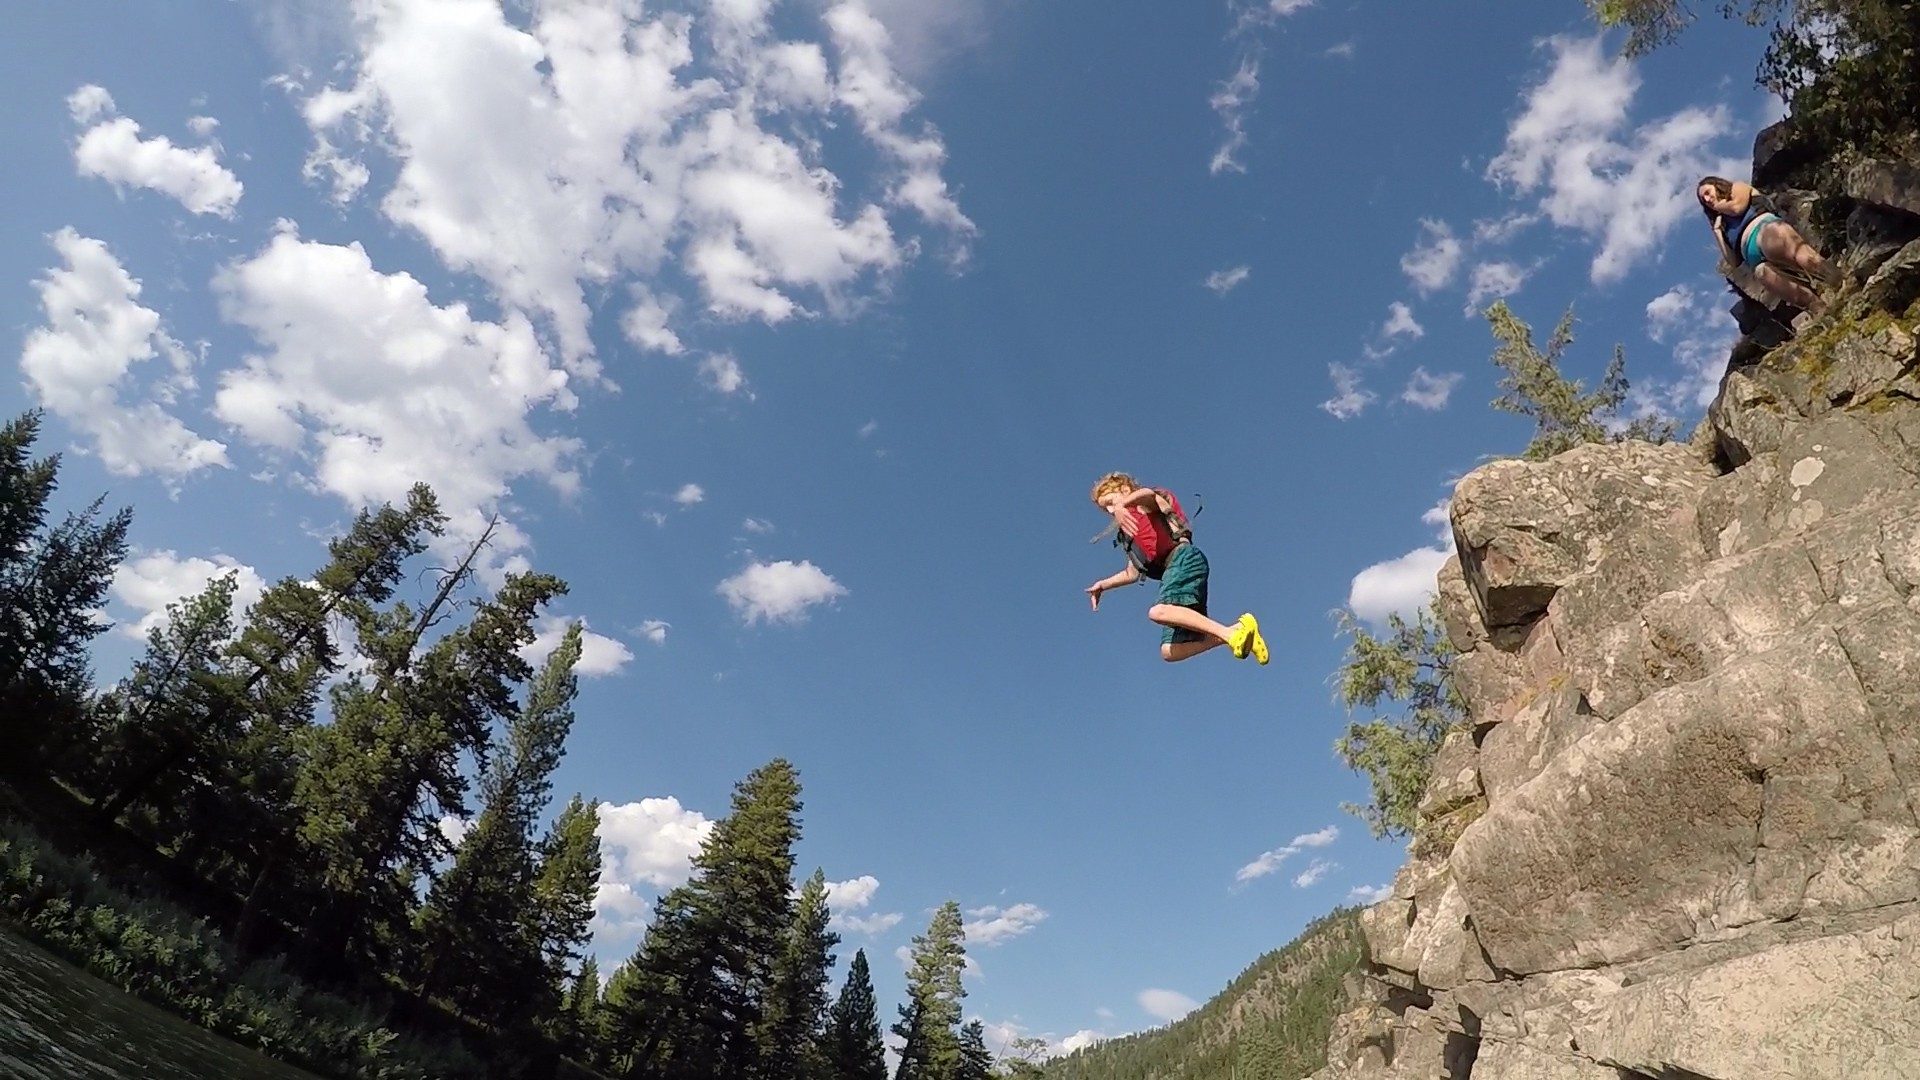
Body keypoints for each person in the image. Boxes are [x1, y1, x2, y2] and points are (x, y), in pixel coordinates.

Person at [1085, 472, 1267, 664]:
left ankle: (1231, 634)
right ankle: (1237, 631)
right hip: (1173, 571)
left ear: (1124, 490)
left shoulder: (1144, 504)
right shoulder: (1130, 533)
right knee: (1170, 651)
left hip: (1184, 559)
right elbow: (1132, 573)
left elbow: (1148, 494)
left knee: (1159, 611)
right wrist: (1103, 585)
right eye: (1107, 509)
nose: (1112, 511)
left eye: (1111, 502)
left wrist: (1124, 504)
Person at [1696, 176, 1837, 317]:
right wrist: (1717, 231)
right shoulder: (1723, 224)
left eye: (1708, 193)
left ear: (1717, 185)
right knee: (1774, 280)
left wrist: (1718, 207)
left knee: (1804, 258)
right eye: (1704, 200)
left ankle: (1839, 280)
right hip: (1754, 258)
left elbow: (1736, 208)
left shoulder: (1737, 188)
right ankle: (1822, 311)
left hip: (1766, 229)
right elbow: (1733, 262)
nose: (1707, 200)